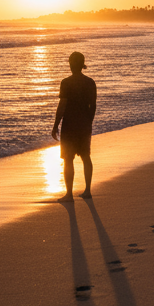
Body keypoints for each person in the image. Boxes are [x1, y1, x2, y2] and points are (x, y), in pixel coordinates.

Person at [51, 51, 96, 201]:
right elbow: (93, 106)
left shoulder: (66, 82)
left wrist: (55, 125)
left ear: (71, 64)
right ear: (82, 64)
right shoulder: (90, 82)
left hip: (69, 125)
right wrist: (89, 121)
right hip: (84, 124)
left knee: (68, 159)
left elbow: (62, 105)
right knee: (85, 157)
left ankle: (69, 194)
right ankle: (88, 190)